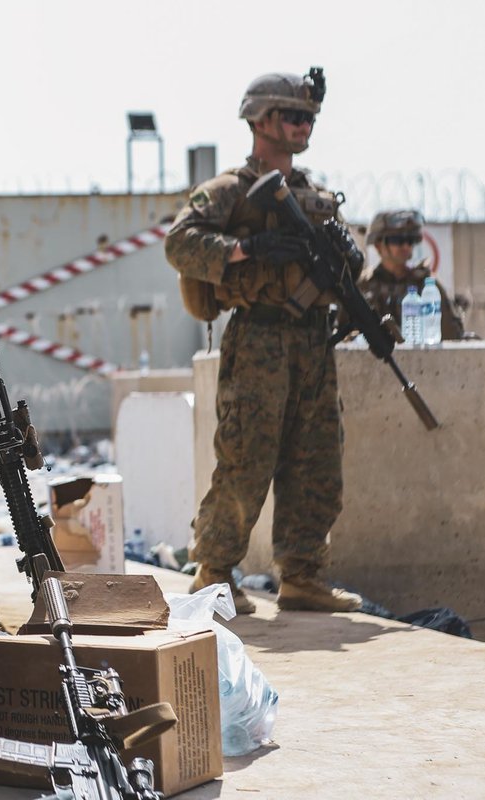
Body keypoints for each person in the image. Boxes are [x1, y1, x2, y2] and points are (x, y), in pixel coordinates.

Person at [165, 69, 362, 614]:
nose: (304, 126)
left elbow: (350, 270)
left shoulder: (315, 195)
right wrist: (247, 250)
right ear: (262, 119)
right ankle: (214, 571)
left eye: (309, 118)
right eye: (294, 116)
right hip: (260, 339)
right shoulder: (230, 189)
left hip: (314, 343)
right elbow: (180, 242)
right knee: (246, 459)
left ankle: (302, 575)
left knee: (317, 461)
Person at [359, 210, 465, 340]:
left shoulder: (426, 285)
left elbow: (451, 334)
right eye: (397, 240)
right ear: (378, 245)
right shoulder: (362, 285)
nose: (406, 246)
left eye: (410, 240)